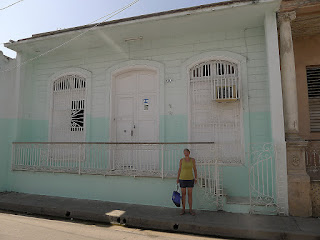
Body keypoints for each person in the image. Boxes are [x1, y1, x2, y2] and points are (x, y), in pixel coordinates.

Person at [176, 148, 197, 215]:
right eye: (184, 152)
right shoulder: (181, 160)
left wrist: (195, 178)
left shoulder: (192, 160)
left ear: (189, 152)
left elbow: (195, 169)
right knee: (183, 195)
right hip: (182, 179)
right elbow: (179, 169)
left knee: (190, 195)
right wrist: (177, 178)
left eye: (186, 152)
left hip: (190, 179)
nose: (185, 153)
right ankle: (183, 209)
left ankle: (190, 210)